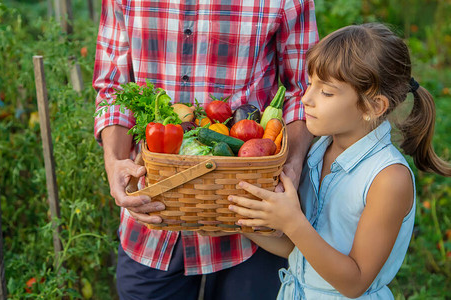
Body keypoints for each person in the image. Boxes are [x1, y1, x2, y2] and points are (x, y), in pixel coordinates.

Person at [92, 0, 318, 299]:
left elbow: (301, 88)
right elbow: (114, 89)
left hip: (249, 218)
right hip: (155, 212)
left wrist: (293, 164)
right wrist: (116, 161)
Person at [227, 23, 451, 299]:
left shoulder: (388, 178)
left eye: (326, 92)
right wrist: (237, 215)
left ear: (373, 106)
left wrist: (292, 222)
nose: (306, 99)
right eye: (309, 84)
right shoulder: (318, 151)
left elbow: (354, 282)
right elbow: (299, 251)